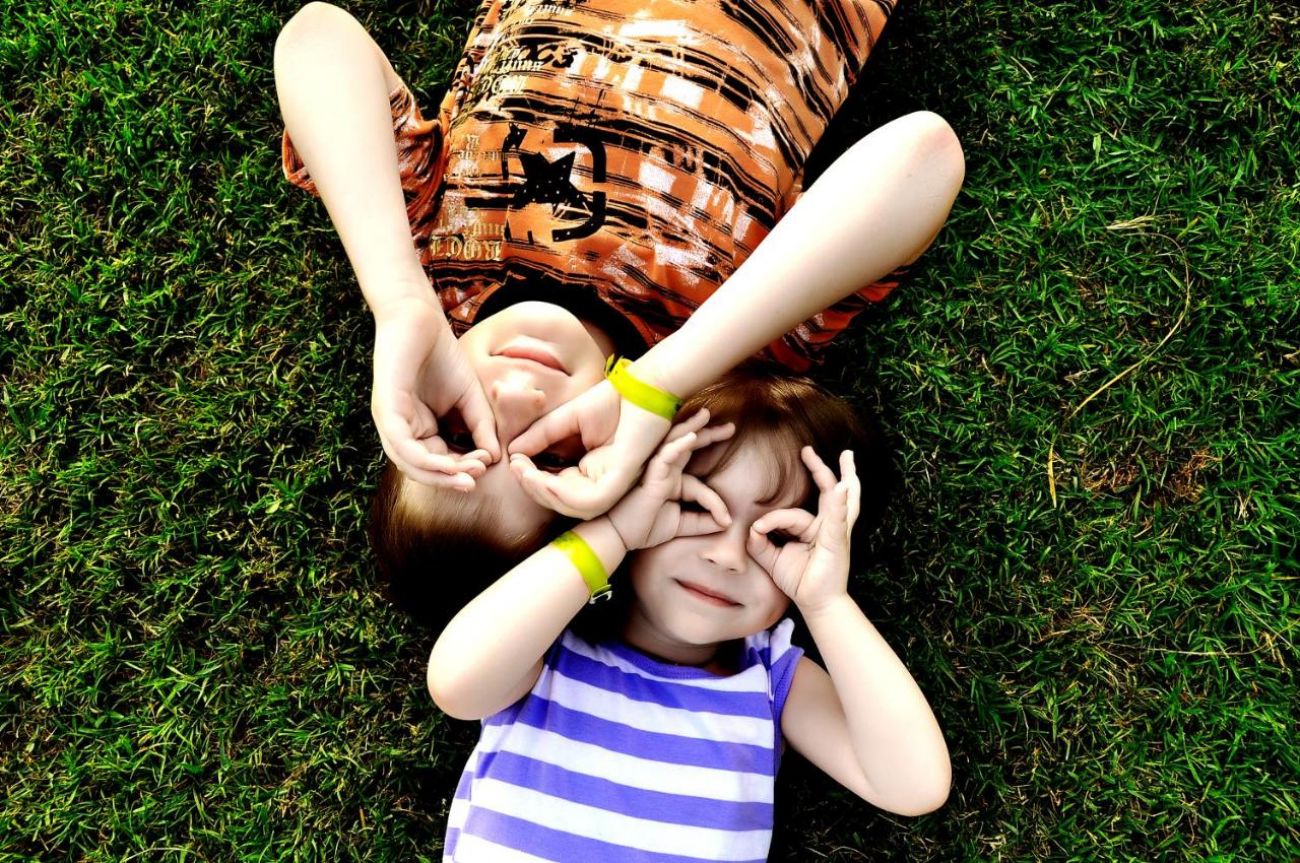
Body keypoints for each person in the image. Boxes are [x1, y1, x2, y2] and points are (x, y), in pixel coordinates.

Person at [273, 1, 965, 602]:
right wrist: (660, 383)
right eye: (549, 455)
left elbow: (316, 38)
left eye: (462, 431)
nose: (513, 397)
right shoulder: (723, 338)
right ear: (614, 473)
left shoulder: (431, 262)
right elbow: (924, 154)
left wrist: (397, 300)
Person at [426, 370, 951, 860]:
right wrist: (615, 531)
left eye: (777, 536)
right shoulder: (548, 636)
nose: (727, 556)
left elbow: (914, 785)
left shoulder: (769, 680)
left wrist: (826, 602)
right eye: (696, 506)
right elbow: (457, 684)